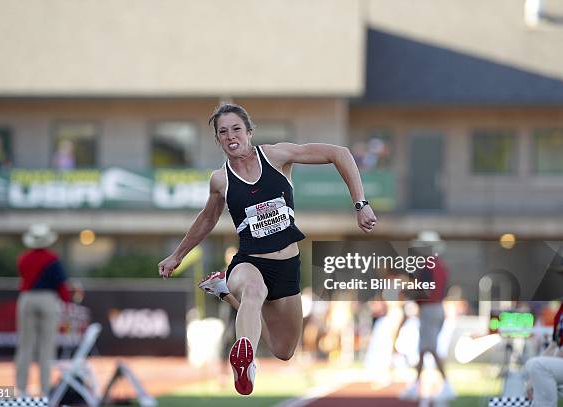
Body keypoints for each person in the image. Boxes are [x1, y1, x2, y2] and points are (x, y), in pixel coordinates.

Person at [158, 103, 377, 395]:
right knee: (254, 292)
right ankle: (244, 359)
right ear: (218, 139)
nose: (230, 135)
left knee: (283, 349)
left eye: (236, 128)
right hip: (249, 262)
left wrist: (360, 204)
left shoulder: (276, 156)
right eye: (222, 132)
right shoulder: (220, 180)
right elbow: (208, 218)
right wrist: (177, 255)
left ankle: (224, 291)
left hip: (287, 267)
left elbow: (340, 154)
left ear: (249, 131)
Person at [15, 224, 71, 396]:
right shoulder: (52, 258)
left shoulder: (23, 258)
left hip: (27, 299)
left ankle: (21, 389)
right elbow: (61, 285)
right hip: (47, 299)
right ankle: (45, 390)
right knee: (47, 347)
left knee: (25, 346)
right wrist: (67, 301)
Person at [400, 230, 456, 401]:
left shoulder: (427, 266)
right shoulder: (441, 266)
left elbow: (422, 291)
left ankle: (447, 386)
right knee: (424, 348)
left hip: (430, 310)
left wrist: (405, 292)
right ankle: (415, 385)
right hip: (437, 308)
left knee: (430, 348)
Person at [524, 302, 563, 407]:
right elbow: (554, 345)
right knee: (532, 365)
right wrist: (533, 377)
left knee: (537, 366)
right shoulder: (560, 311)